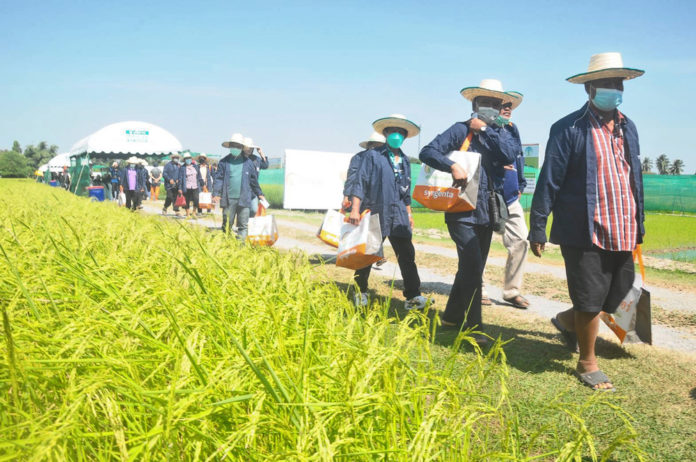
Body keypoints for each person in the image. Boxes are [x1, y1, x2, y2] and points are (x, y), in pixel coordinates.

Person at [529, 52, 645, 391]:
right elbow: (549, 178)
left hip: (623, 226)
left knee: (617, 294)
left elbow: (633, 177)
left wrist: (640, 226)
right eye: (606, 83)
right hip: (585, 227)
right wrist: (538, 224)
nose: (614, 88)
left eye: (618, 82)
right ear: (589, 88)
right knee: (591, 297)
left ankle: (566, 321)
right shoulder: (570, 128)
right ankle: (587, 362)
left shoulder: (629, 126)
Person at [419, 80, 521, 344]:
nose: (490, 107)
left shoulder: (502, 132)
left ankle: (451, 317)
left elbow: (510, 154)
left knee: (471, 266)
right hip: (460, 209)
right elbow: (427, 151)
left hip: (488, 210)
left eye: (496, 104)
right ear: (475, 104)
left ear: (501, 108)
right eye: (485, 102)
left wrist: (486, 129)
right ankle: (474, 329)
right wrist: (451, 165)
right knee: (473, 267)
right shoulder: (459, 130)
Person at [350, 114, 433, 311]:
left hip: (399, 215)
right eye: (393, 131)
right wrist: (354, 208)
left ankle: (413, 296)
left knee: (407, 255)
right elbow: (360, 182)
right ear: (385, 133)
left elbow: (406, 189)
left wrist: (409, 213)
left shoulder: (404, 159)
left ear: (405, 136)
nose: (396, 135)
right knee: (368, 254)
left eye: (401, 132)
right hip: (377, 210)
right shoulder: (372, 156)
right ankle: (359, 291)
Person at [495, 97, 530, 309]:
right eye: (502, 105)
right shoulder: (483, 129)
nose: (507, 109)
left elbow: (519, 158)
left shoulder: (512, 129)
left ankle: (511, 291)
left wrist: (521, 184)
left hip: (511, 198)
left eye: (509, 106)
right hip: (489, 197)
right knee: (480, 245)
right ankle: (477, 287)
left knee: (521, 240)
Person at [213, 133, 266, 240]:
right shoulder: (224, 162)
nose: (235, 148)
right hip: (228, 199)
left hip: (244, 198)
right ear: (230, 147)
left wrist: (260, 194)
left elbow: (253, 181)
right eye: (233, 145)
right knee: (227, 224)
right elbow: (218, 179)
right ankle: (226, 245)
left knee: (243, 226)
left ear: (242, 148)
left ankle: (240, 248)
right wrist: (216, 193)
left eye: (237, 146)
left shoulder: (248, 163)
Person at [342, 132, 385, 211]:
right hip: (362, 198)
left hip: (376, 199)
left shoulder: (384, 159)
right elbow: (351, 178)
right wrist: (346, 196)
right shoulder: (358, 157)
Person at [243, 137, 269, 217]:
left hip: (253, 191)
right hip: (243, 190)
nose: (250, 149)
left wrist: (261, 153)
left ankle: (248, 225)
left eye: (251, 148)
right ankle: (243, 226)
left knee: (254, 209)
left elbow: (265, 165)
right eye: (248, 147)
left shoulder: (256, 159)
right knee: (244, 210)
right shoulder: (240, 159)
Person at [178, 152, 203, 219]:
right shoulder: (182, 168)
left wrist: (202, 183)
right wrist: (179, 188)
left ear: (191, 159)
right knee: (187, 200)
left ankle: (194, 212)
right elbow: (180, 178)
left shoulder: (195, 166)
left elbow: (199, 176)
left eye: (189, 158)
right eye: (186, 159)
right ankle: (188, 213)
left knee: (196, 200)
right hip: (187, 187)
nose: (188, 160)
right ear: (184, 160)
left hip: (195, 186)